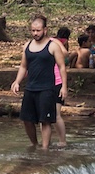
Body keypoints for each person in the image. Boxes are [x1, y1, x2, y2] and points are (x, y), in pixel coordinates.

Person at [11, 15, 69, 150]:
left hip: (47, 88)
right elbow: (23, 66)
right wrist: (17, 81)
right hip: (31, 87)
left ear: (45, 30)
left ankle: (44, 148)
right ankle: (34, 144)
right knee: (26, 119)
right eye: (33, 31)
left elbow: (61, 66)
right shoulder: (27, 46)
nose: (35, 33)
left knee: (45, 120)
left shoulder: (53, 46)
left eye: (38, 30)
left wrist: (64, 87)